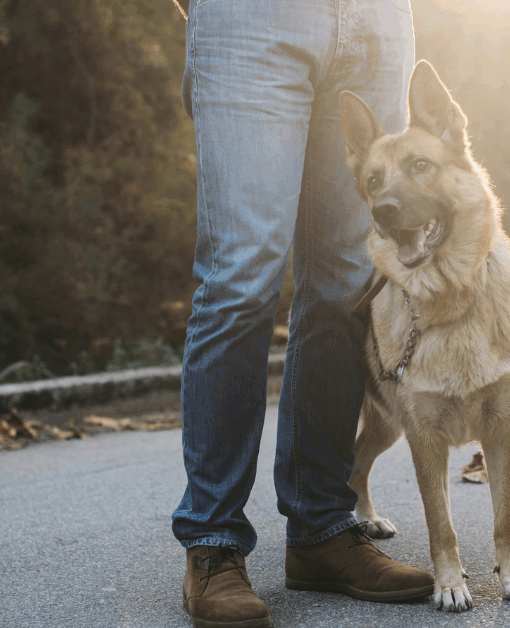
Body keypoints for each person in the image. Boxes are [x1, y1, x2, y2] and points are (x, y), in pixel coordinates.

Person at [170, 1, 433, 626]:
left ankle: (321, 527)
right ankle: (213, 542)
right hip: (251, 18)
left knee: (347, 277)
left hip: (374, 20)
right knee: (242, 272)